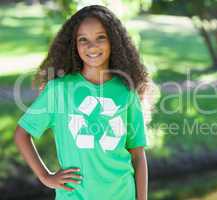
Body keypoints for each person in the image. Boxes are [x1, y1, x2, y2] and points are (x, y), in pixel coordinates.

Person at [14, 5, 150, 200]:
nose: (92, 46)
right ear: (74, 45)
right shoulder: (59, 90)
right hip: (75, 196)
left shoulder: (127, 91)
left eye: (100, 37)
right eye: (83, 39)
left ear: (114, 42)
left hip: (123, 194)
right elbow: (22, 134)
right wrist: (46, 176)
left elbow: (137, 155)